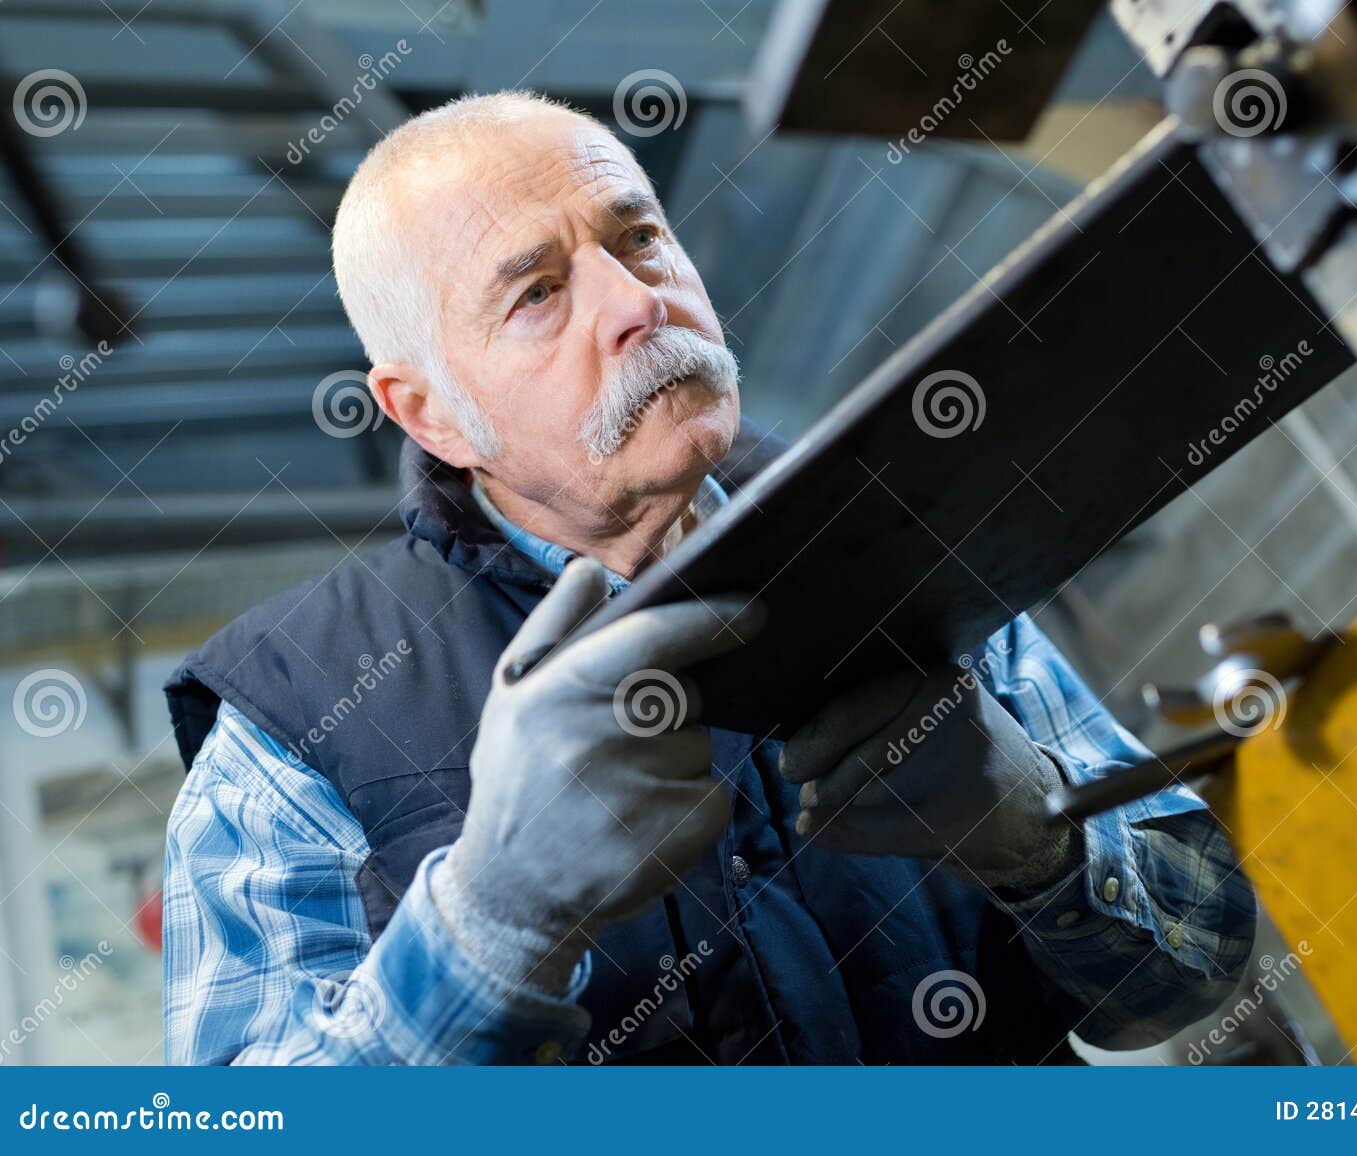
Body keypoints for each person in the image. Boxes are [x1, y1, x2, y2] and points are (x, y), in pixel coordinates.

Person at [162, 92, 1254, 1065]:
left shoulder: (911, 534)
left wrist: (1039, 838)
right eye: (538, 292)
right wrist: (495, 924)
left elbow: (1197, 967)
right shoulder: (290, 726)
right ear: (430, 413)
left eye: (638, 237)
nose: (635, 303)